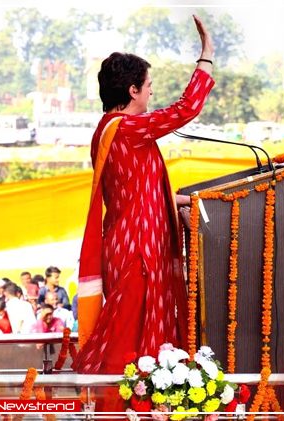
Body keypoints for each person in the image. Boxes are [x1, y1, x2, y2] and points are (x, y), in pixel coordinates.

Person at [72, 15, 215, 375]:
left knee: (139, 344)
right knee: (131, 347)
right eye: (148, 85)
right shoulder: (127, 129)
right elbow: (186, 109)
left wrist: (181, 200)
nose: (151, 91)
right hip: (138, 250)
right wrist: (207, 55)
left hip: (132, 243)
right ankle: (120, 409)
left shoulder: (110, 130)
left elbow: (137, 190)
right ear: (133, 90)